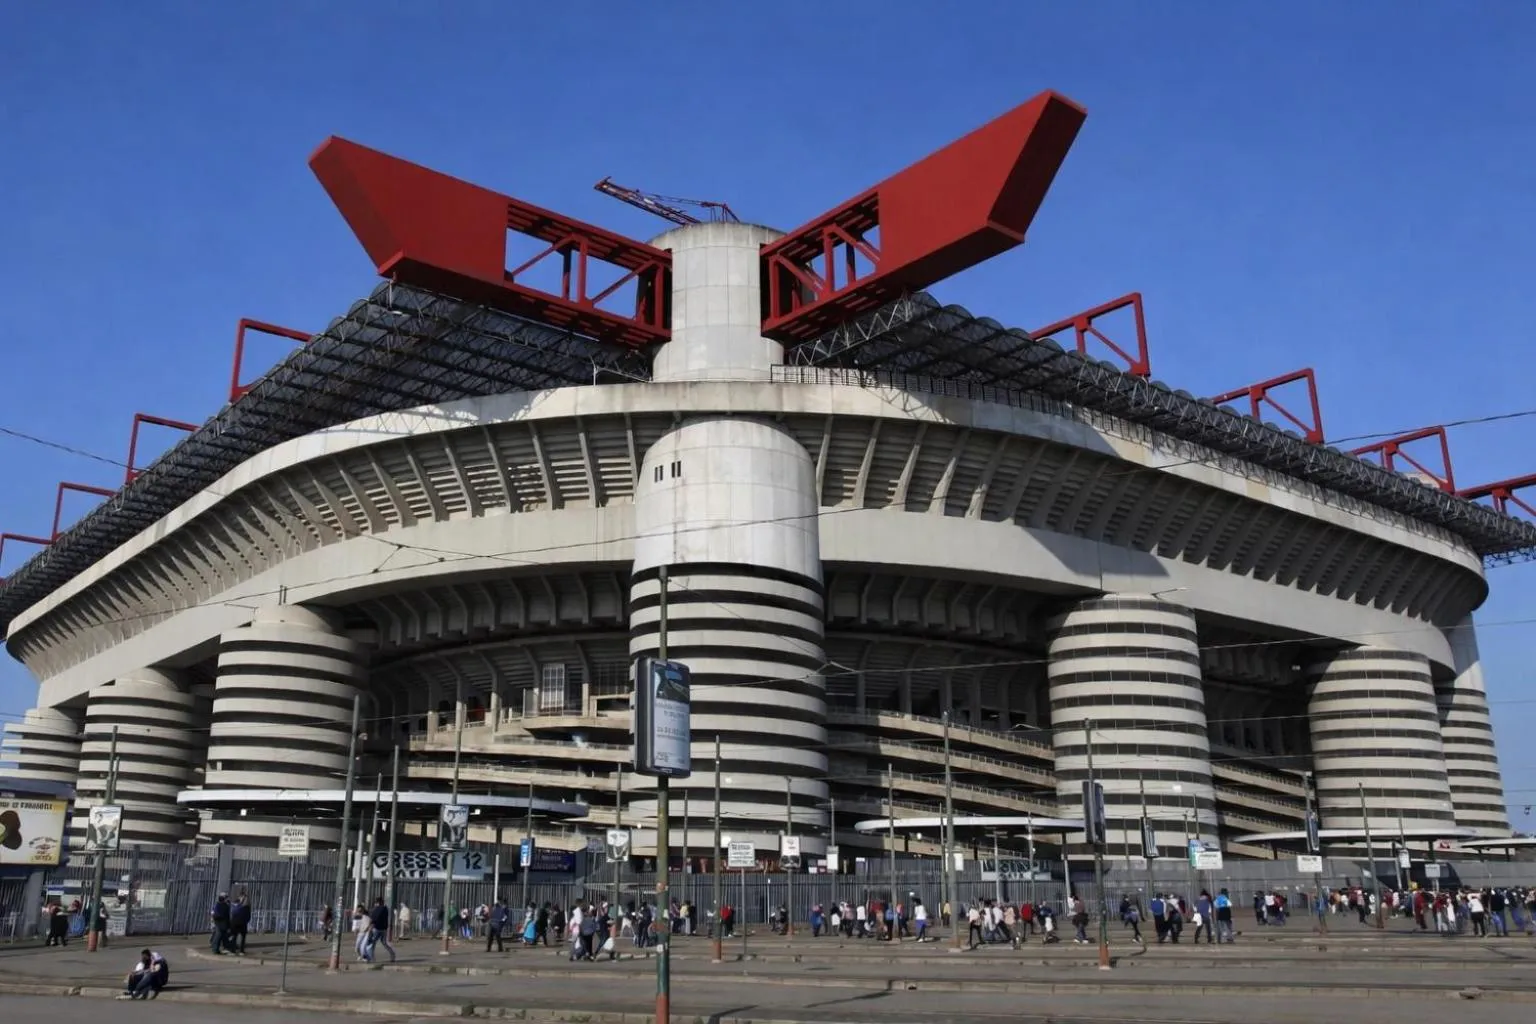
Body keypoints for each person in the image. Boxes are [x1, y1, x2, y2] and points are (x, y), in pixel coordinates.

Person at [365, 898, 396, 963]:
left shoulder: (376, 909)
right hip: (384, 929)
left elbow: (373, 919)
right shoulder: (385, 909)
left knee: (372, 943)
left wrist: (370, 926)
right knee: (384, 943)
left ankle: (371, 958)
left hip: (377, 929)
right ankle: (392, 955)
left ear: (377, 903)